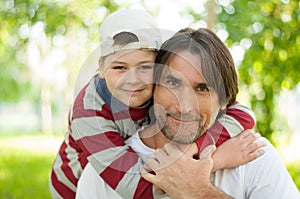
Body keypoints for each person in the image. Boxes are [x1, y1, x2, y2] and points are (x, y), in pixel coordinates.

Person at [50, 9, 262, 199]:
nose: (132, 79)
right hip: (76, 185)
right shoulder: (88, 114)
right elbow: (141, 189)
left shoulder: (155, 87)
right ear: (102, 68)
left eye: (144, 67)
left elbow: (242, 113)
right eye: (119, 68)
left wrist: (194, 148)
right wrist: (214, 161)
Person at [139, 28, 299, 198]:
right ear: (153, 87)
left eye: (202, 89)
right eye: (172, 83)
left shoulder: (253, 154)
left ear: (224, 100)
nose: (184, 107)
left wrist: (198, 191)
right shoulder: (118, 157)